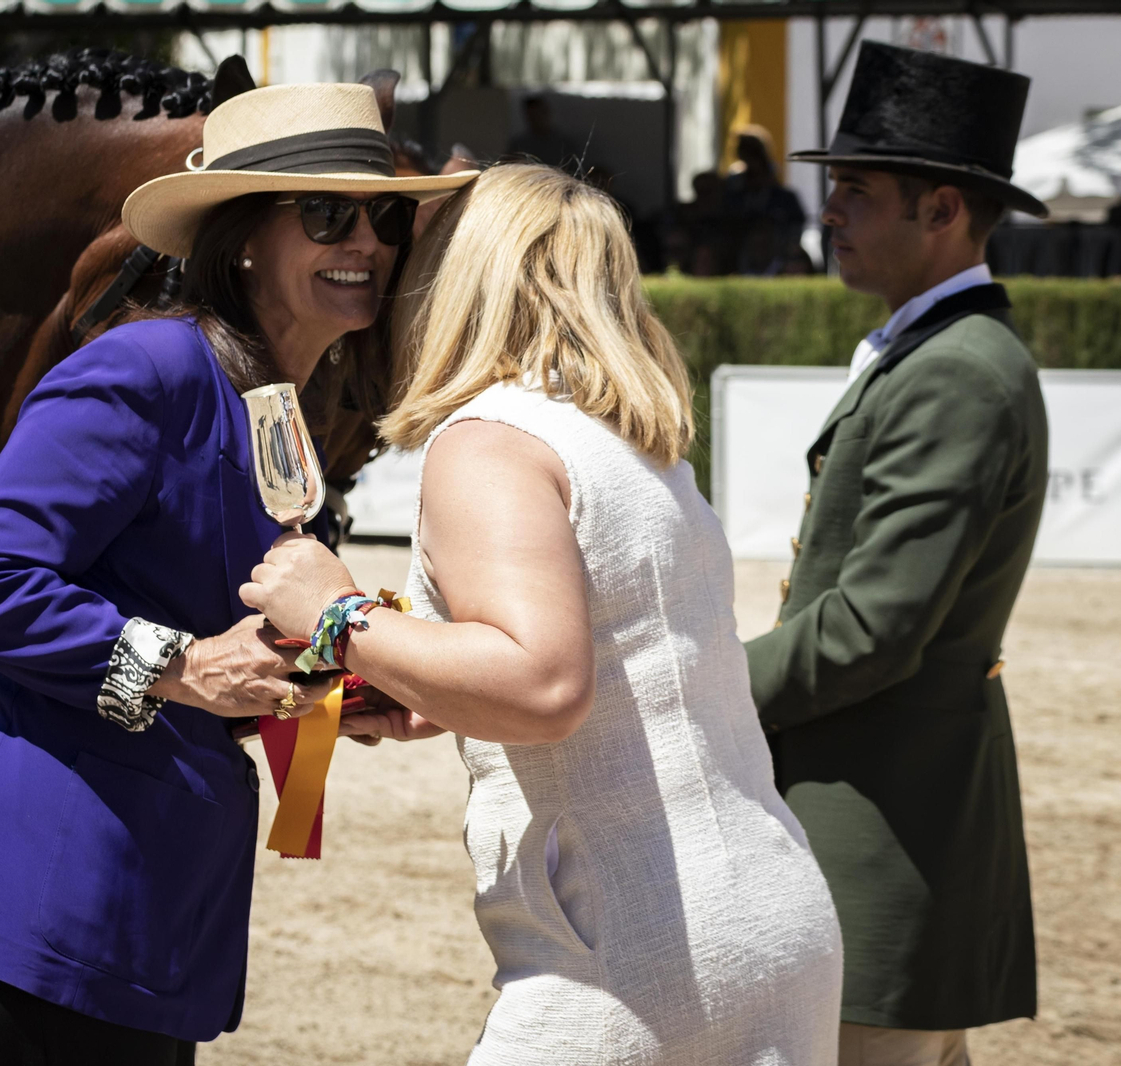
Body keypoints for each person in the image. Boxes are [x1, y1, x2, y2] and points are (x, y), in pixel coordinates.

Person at [0, 72, 475, 1064]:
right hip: (47, 902)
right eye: (327, 213)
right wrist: (183, 667)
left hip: (133, 916)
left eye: (382, 221)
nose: (364, 244)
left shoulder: (278, 405)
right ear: (241, 237)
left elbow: (215, 629)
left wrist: (342, 685)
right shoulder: (145, 371)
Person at [242, 162, 843, 1065]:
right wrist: (434, 682)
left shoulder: (489, 442)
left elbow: (546, 683)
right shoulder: (637, 440)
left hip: (629, 945)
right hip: (771, 913)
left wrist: (337, 613)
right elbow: (615, 661)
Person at [749, 41, 1050, 1066]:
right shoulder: (935, 351)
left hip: (886, 823)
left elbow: (870, 627)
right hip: (884, 808)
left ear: (943, 211)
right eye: (833, 187)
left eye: (858, 191)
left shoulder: (957, 370)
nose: (830, 210)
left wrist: (695, 680)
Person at [723, 125, 807, 275]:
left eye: (753, 154)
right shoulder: (734, 189)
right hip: (740, 259)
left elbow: (796, 227)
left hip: (777, 259)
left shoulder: (783, 198)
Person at [505, 93, 583, 170]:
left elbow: (574, 169)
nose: (535, 119)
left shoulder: (564, 143)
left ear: (546, 112)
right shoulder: (519, 144)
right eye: (531, 116)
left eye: (538, 114)